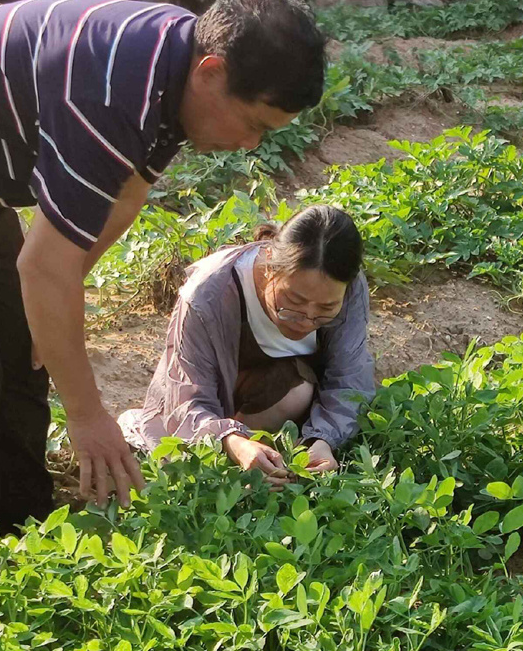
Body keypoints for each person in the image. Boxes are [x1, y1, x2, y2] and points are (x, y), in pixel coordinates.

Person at [0, 0, 327, 528]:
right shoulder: (113, 91)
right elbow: (43, 267)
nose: (251, 144)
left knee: (21, 348)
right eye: (253, 124)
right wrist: (87, 418)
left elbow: (127, 194)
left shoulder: (176, 66)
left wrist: (52, 299)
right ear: (211, 72)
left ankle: (26, 531)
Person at [120, 205, 374, 484]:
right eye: (294, 302)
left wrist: (323, 439)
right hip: (216, 411)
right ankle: (239, 466)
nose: (306, 320)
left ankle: (270, 461)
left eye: (326, 309)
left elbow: (349, 379)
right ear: (269, 267)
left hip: (287, 407)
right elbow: (187, 400)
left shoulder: (348, 288)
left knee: (296, 392)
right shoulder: (209, 295)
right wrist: (232, 441)